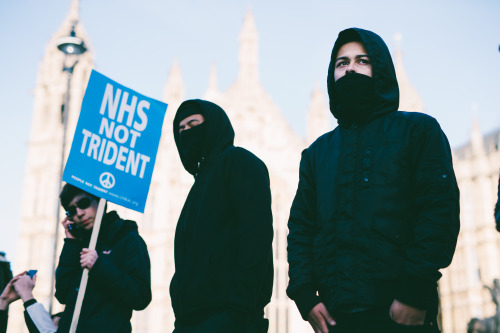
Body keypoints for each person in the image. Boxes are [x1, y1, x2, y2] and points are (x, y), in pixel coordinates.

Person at [287, 27, 460, 333]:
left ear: (379, 68)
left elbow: (438, 211)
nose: (350, 67)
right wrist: (304, 296)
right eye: (342, 63)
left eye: (361, 60)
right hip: (336, 319)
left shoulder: (418, 131)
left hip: (401, 313)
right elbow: (301, 228)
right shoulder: (316, 154)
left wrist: (413, 290)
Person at [170, 99, 274, 332]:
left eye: (193, 124)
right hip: (192, 321)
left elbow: (256, 237)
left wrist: (238, 311)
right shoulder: (198, 185)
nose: (187, 132)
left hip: (229, 318)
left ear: (213, 125)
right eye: (181, 130)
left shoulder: (240, 162)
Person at [55, 184, 152, 332]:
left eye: (84, 204)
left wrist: (99, 266)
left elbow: (140, 296)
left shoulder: (127, 239)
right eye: (72, 210)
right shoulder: (77, 244)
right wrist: (71, 242)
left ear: (100, 201)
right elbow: (62, 294)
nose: (79, 213)